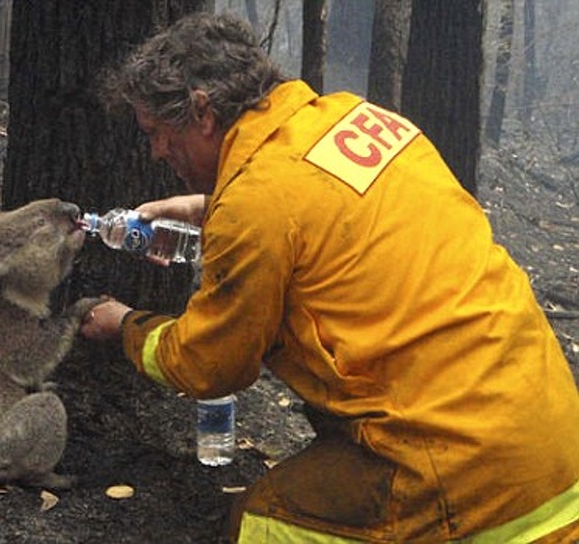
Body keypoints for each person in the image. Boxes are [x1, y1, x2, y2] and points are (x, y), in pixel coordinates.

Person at [82, 11, 579, 543]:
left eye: (158, 133)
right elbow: (319, 213)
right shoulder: (356, 118)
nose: (157, 153)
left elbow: (210, 365)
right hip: (552, 441)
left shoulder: (258, 204)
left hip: (460, 470)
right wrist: (207, 208)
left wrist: (126, 326)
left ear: (202, 112)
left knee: (264, 522)